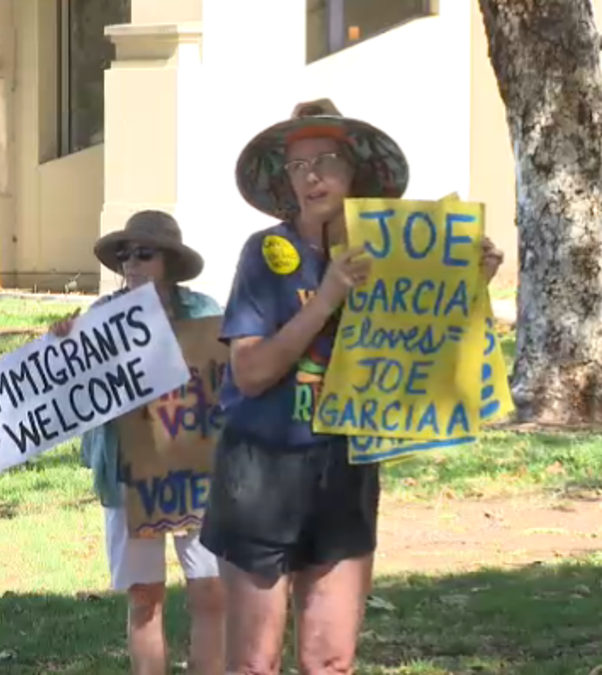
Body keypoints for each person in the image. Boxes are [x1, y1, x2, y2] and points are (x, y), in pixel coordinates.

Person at [202, 99, 504, 674]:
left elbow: (433, 357)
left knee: (333, 660)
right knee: (253, 663)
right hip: (260, 471)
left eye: (325, 159)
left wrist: (467, 284)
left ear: (356, 172)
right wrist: (329, 296)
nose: (311, 175)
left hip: (347, 467)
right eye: (296, 166)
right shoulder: (265, 255)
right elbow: (251, 372)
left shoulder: (396, 255)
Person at [51, 211, 227, 675]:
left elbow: (231, 380)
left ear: (168, 261)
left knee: (211, 590)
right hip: (129, 475)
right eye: (124, 255)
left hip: (199, 474)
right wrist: (65, 350)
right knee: (145, 598)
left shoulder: (206, 314)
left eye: (144, 253)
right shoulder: (100, 319)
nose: (131, 262)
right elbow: (74, 392)